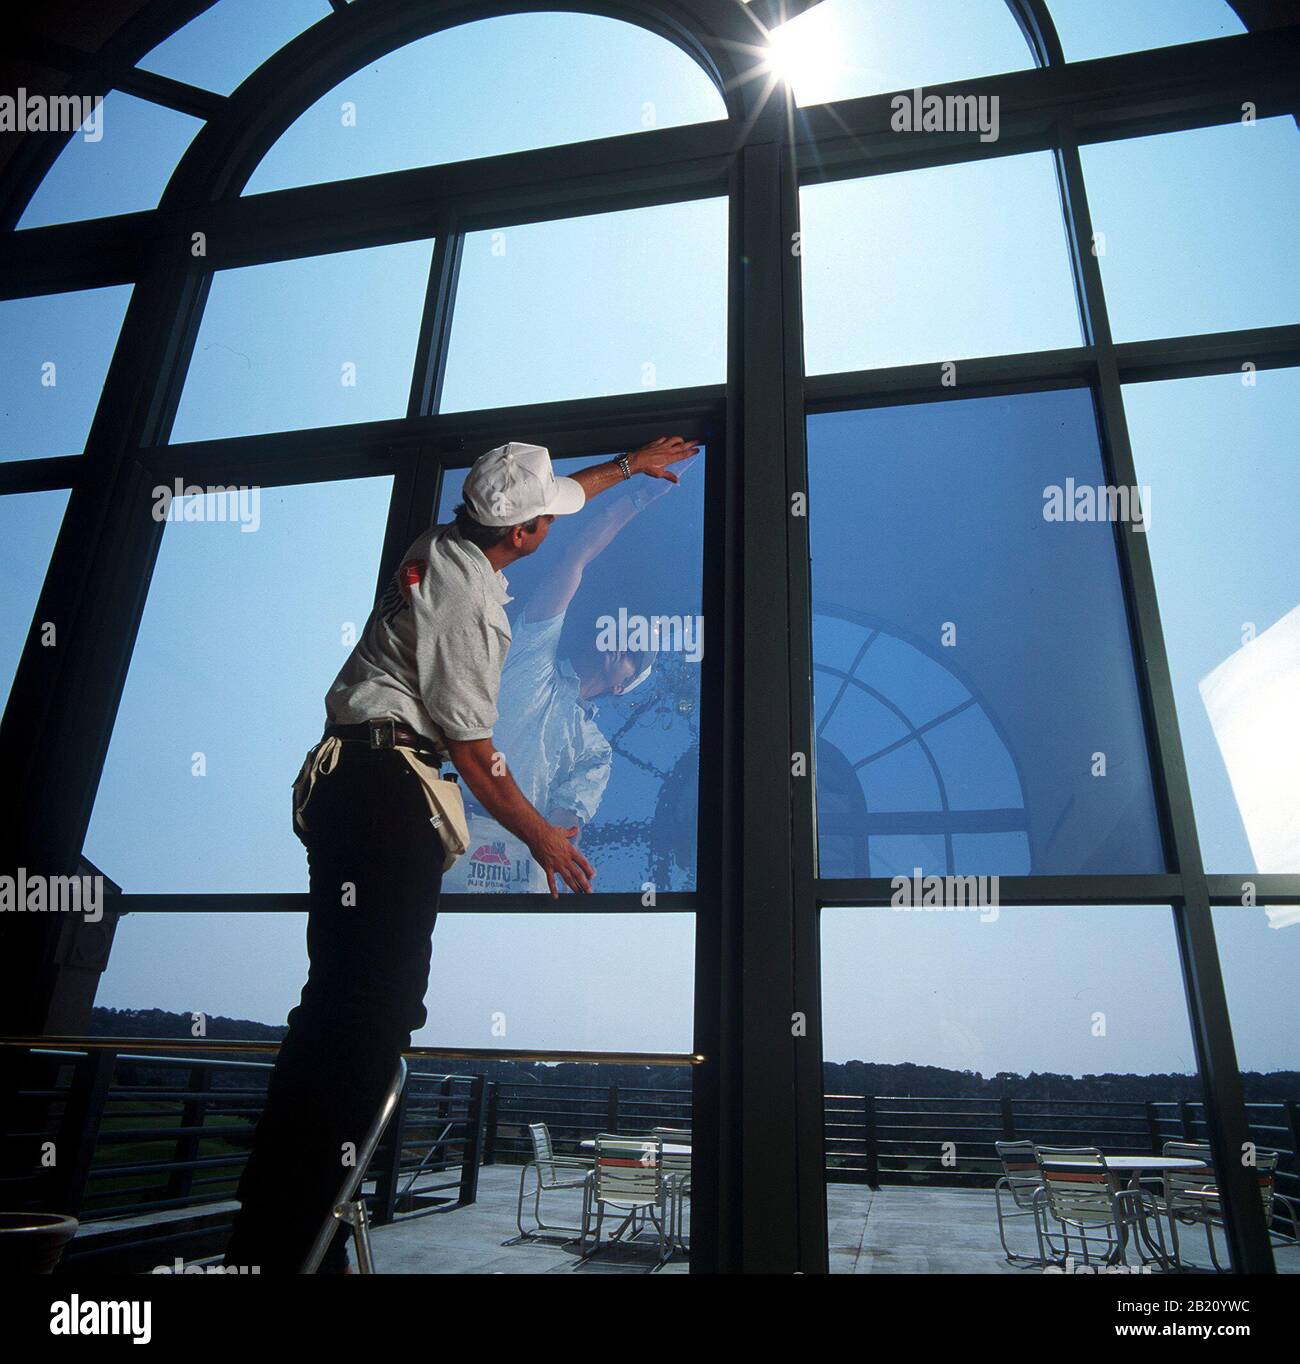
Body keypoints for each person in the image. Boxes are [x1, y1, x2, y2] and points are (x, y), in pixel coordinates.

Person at [221, 434, 698, 1274]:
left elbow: (558, 511)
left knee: (335, 1004)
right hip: (387, 796)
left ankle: (274, 1213)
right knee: (377, 1012)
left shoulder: (439, 541)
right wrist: (542, 837)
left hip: (353, 786)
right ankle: (294, 1229)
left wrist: (627, 470)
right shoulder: (477, 614)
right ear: (523, 537)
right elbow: (477, 760)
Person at [447, 473, 683, 893]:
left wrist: (553, 836)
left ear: (622, 686)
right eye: (625, 639)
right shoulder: (532, 653)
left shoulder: (595, 749)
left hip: (525, 851)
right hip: (448, 829)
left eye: (633, 656)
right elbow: (575, 559)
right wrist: (643, 495)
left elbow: (568, 816)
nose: (622, 648)